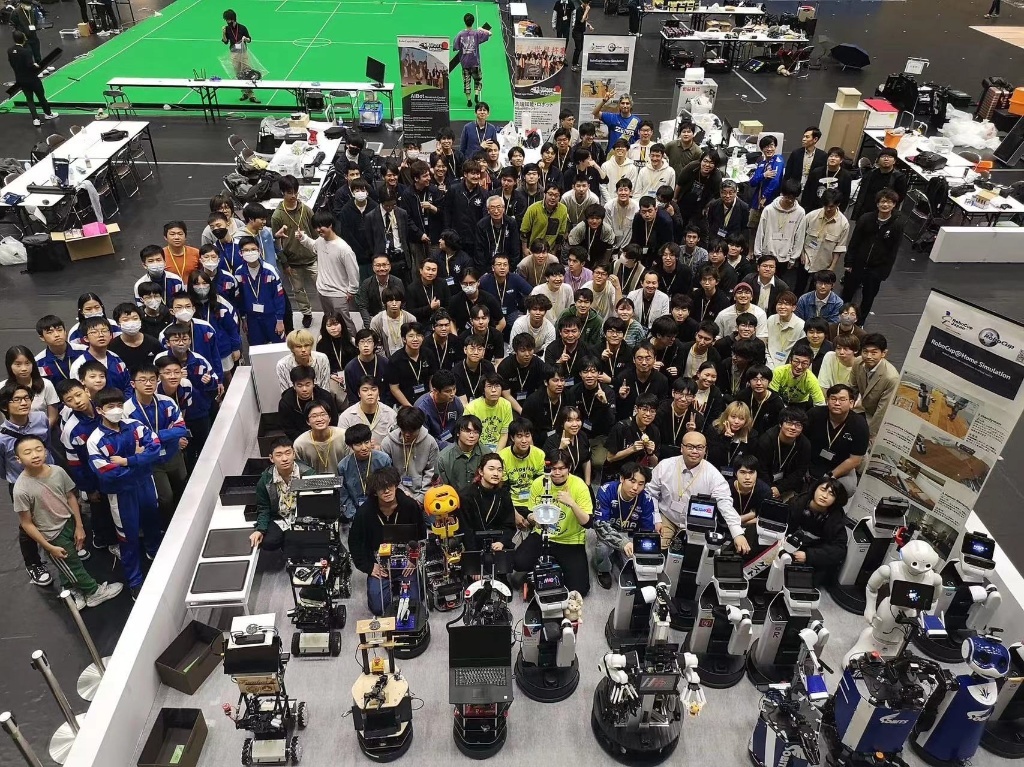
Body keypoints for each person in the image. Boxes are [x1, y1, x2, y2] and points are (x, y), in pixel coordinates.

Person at [14, 436, 123, 608]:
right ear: (18, 459)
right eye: (27, 452)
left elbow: (71, 496)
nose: (35, 455)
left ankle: (71, 588)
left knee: (69, 562)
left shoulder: (57, 471)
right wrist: (48, 547)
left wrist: (79, 525)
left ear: (46, 451)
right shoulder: (21, 489)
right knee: (73, 565)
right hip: (52, 535)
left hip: (68, 523)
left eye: (38, 449)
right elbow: (26, 524)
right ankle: (93, 592)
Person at [86, 387, 164, 599]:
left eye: (119, 405)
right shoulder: (95, 440)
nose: (117, 410)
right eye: (111, 406)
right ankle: (135, 581)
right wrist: (140, 461)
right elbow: (107, 473)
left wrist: (128, 461)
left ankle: (155, 553)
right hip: (121, 494)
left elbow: (155, 448)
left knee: (153, 522)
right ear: (100, 410)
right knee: (127, 538)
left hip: (146, 485)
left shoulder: (135, 425)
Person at [647, 431, 750, 553]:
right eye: (690, 447)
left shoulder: (713, 475)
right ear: (681, 448)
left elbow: (725, 504)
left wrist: (737, 533)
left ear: (705, 450)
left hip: (698, 524)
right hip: (667, 517)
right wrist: (656, 518)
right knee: (655, 549)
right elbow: (650, 493)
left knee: (696, 557)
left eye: (699, 447)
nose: (695, 451)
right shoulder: (665, 466)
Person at [514, 449, 594, 595]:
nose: (557, 473)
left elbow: (588, 523)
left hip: (570, 539)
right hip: (542, 534)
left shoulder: (579, 485)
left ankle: (558, 568)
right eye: (553, 468)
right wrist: (533, 519)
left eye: (561, 468)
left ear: (569, 468)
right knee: (518, 563)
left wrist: (572, 503)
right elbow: (530, 512)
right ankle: (544, 572)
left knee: (580, 589)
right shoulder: (539, 483)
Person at [350, 465, 427, 614]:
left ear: (396, 485)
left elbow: (421, 536)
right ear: (375, 492)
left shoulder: (410, 506)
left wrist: (413, 560)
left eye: (390, 486)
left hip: (406, 562)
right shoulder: (365, 513)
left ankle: (401, 583)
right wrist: (369, 567)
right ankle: (391, 585)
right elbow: (355, 542)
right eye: (381, 488)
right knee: (378, 608)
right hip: (380, 564)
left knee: (414, 604)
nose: (387, 491)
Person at [0, 383, 56, 586]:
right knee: (28, 524)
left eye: (27, 398)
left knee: (57, 511)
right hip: (21, 484)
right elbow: (1, 467)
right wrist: (17, 478)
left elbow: (48, 445)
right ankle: (33, 564)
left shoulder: (40, 418)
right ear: (5, 406)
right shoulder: (1, 437)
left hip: (48, 475)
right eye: (17, 399)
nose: (24, 403)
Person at [123, 365, 189, 525]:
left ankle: (187, 520)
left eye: (152, 379)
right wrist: (168, 433)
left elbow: (181, 429)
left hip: (173, 453)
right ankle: (169, 526)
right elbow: (133, 441)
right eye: (143, 380)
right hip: (151, 461)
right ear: (133, 384)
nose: (148, 384)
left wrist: (154, 437)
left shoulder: (167, 401)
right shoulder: (127, 410)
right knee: (165, 498)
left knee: (184, 487)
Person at [842, 189, 904, 324]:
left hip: (876, 269)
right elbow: (854, 242)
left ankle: (860, 322)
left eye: (889, 202)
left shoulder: (897, 225)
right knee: (847, 292)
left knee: (868, 298)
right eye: (883, 201)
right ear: (877, 203)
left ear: (894, 204)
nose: (885, 205)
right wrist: (849, 262)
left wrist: (884, 273)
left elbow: (893, 251)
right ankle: (841, 317)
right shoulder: (865, 219)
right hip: (857, 264)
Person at [592, 462, 655, 588]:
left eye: (641, 484)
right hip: (609, 531)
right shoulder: (606, 491)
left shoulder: (646, 499)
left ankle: (622, 557)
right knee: (603, 549)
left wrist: (641, 549)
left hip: (631, 535)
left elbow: (647, 531)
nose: (636, 487)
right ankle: (603, 570)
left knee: (636, 569)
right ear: (622, 478)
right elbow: (600, 526)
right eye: (632, 481)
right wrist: (622, 543)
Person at [805, 383, 869, 501]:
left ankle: (830, 507)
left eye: (842, 399)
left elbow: (855, 460)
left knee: (848, 487)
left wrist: (830, 476)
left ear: (851, 403)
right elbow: (801, 442)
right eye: (833, 399)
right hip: (810, 460)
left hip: (840, 465)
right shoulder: (814, 414)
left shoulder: (859, 425)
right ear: (827, 401)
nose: (837, 403)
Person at [271, 177, 317, 328]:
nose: (293, 195)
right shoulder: (277, 216)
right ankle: (306, 313)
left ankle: (330, 312)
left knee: (322, 286)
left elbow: (315, 232)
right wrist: (284, 263)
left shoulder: (306, 210)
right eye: (289, 192)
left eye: (295, 192)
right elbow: (276, 242)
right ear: (282, 192)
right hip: (292, 261)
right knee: (298, 290)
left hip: (311, 257)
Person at [785, 477, 849, 584]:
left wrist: (809, 556)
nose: (825, 496)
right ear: (814, 489)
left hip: (811, 554)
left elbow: (839, 550)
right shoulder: (797, 503)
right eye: (823, 490)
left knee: (803, 582)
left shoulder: (836, 518)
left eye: (831, 494)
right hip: (786, 543)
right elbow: (779, 522)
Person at [456, 453, 518, 551]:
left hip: (498, 545)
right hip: (473, 546)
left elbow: (509, 525)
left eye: (499, 470)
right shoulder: (466, 495)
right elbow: (465, 529)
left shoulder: (504, 495)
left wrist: (501, 542)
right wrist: (475, 551)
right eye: (491, 469)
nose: (496, 473)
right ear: (481, 471)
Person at [234, 235, 286, 346]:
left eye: (253, 249)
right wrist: (243, 319)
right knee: (256, 348)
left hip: (271, 316)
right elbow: (239, 299)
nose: (250, 252)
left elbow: (279, 297)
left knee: (278, 347)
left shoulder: (269, 270)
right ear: (240, 253)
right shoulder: (239, 273)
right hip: (252, 319)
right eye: (246, 250)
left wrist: (280, 320)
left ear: (259, 251)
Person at [380, 407, 438, 503]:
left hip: (425, 495)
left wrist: (421, 498)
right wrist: (401, 493)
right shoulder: (388, 443)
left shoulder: (430, 442)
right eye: (404, 430)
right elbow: (387, 474)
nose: (407, 434)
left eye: (411, 431)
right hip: (396, 494)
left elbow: (431, 472)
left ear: (419, 427)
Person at [754, 179, 806, 284]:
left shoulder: (800, 212)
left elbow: (799, 236)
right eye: (787, 197)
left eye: (793, 198)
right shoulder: (769, 209)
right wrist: (758, 254)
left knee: (778, 283)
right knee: (763, 281)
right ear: (782, 194)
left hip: (785, 257)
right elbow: (760, 232)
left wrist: (793, 257)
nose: (790, 200)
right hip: (767, 253)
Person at [338, 424, 392, 523]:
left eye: (367, 442)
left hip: (381, 511)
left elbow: (388, 488)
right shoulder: (343, 466)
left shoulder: (383, 460)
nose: (364, 448)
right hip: (355, 514)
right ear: (350, 446)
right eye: (358, 444)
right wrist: (355, 516)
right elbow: (344, 496)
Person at [756, 407, 813, 501]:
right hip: (766, 482)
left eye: (798, 425)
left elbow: (801, 470)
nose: (793, 428)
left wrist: (780, 488)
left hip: (788, 485)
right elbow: (761, 469)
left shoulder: (805, 444)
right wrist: (770, 489)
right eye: (789, 423)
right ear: (780, 424)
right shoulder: (766, 441)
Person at [851, 333, 900, 441]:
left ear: (883, 353)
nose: (868, 356)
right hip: (862, 409)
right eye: (865, 352)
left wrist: (869, 434)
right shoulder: (858, 362)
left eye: (874, 353)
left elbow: (881, 411)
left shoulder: (891, 378)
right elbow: (852, 388)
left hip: (879, 417)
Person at [70, 317, 131, 394]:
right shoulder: (79, 364)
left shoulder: (116, 358)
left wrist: (125, 401)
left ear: (111, 335)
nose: (101, 335)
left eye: (104, 331)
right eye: (94, 332)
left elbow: (128, 385)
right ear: (86, 338)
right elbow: (78, 393)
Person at [8, 31, 56, 126]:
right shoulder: (26, 51)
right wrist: (36, 66)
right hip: (32, 79)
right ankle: (48, 114)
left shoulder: (10, 51)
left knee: (29, 100)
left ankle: (35, 119)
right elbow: (29, 65)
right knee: (41, 97)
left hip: (21, 79)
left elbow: (12, 63)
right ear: (23, 39)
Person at [278, 366, 338, 441]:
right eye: (300, 385)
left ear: (313, 384)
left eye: (308, 384)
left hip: (325, 436)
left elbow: (333, 420)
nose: (304, 389)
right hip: (299, 439)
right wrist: (305, 441)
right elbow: (288, 429)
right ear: (294, 386)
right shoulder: (286, 402)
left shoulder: (325, 397)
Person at [3, 345, 58, 426]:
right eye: (18, 364)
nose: (24, 368)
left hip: (43, 430)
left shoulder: (46, 384)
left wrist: (42, 431)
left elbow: (53, 416)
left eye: (27, 363)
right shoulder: (2, 387)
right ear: (9, 366)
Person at [339, 377, 398, 449]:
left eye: (374, 389)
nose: (370, 393)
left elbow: (395, 442)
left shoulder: (391, 414)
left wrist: (380, 448)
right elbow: (343, 444)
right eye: (365, 390)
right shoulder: (346, 416)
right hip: (356, 454)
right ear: (359, 393)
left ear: (379, 392)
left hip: (384, 454)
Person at [851, 148, 908, 220]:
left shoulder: (899, 178)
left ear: (894, 161)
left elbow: (899, 198)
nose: (886, 159)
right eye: (883, 156)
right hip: (866, 210)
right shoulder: (870, 174)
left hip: (884, 211)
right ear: (878, 160)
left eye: (890, 157)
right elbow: (862, 194)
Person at [292, 401, 348, 475]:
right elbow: (298, 469)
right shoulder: (300, 444)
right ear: (307, 421)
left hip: (343, 479)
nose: (319, 419)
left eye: (323, 414)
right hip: (311, 481)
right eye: (314, 416)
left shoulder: (343, 436)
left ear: (329, 418)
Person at [542, 405, 591, 483]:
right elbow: (550, 467)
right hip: (558, 481)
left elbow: (586, 460)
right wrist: (561, 448)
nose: (575, 424)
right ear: (562, 423)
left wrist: (587, 484)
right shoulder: (552, 441)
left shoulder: (582, 436)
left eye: (578, 420)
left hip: (578, 480)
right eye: (569, 420)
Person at [769, 341, 825, 408]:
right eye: (796, 361)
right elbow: (772, 395)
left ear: (809, 364)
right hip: (779, 401)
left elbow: (820, 404)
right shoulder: (779, 372)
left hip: (800, 404)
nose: (799, 367)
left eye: (804, 363)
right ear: (790, 360)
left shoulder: (811, 380)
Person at [464, 373, 513, 450]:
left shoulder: (506, 405)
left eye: (497, 386)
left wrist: (497, 453)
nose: (493, 390)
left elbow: (504, 434)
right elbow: (468, 435)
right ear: (483, 390)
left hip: (498, 447)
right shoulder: (471, 407)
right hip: (477, 448)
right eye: (489, 386)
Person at [438, 414, 485, 492]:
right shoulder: (443, 458)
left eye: (476, 432)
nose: (472, 435)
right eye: (467, 431)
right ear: (458, 433)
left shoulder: (486, 454)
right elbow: (441, 488)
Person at [455, 16, 493, 108]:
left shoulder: (460, 34)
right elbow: (490, 33)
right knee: (477, 80)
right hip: (475, 61)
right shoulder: (477, 33)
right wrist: (481, 29)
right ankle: (476, 95)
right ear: (473, 21)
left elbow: (456, 47)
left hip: (465, 62)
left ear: (464, 21)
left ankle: (469, 100)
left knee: (466, 82)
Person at [801, 147, 853, 212]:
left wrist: (840, 212)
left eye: (836, 156)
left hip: (833, 210)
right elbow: (807, 191)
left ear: (841, 160)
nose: (833, 158)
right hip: (814, 208)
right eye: (831, 156)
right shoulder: (816, 172)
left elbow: (845, 197)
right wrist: (805, 208)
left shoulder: (846, 176)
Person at [222, 9, 257, 102]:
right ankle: (244, 93)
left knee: (247, 72)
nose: (227, 21)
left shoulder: (242, 28)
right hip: (234, 53)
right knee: (238, 74)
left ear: (233, 19)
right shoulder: (227, 29)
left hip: (243, 52)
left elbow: (249, 40)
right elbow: (225, 41)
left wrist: (245, 39)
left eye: (228, 19)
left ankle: (251, 94)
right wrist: (223, 33)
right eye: (226, 20)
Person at [765, 291, 805, 369]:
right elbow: (766, 345)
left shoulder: (801, 325)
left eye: (786, 304)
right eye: (780, 303)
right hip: (768, 363)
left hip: (790, 366)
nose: (782, 307)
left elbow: (800, 351)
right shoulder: (771, 319)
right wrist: (769, 364)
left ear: (794, 308)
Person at [749, 135, 786, 217]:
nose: (769, 149)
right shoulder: (761, 164)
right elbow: (752, 182)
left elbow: (775, 181)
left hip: (771, 202)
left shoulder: (778, 160)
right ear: (762, 149)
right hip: (757, 202)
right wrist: (764, 175)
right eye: (766, 147)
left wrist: (765, 196)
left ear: (775, 147)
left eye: (771, 146)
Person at [782, 127, 827, 193]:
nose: (803, 139)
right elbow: (788, 173)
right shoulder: (796, 153)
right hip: (794, 189)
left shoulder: (822, 155)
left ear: (815, 139)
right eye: (804, 136)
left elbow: (822, 176)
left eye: (807, 137)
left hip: (811, 190)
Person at [570, 0, 593, 70]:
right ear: (584, 3)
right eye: (587, 3)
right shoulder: (579, 10)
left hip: (581, 32)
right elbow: (581, 20)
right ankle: (573, 65)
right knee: (578, 48)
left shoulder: (583, 9)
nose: (588, 5)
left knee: (580, 48)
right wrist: (587, 11)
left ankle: (576, 62)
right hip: (576, 32)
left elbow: (584, 20)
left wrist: (589, 26)